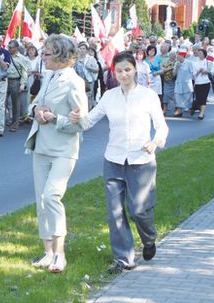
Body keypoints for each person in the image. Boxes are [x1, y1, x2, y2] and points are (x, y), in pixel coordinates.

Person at [69, 51, 169, 274]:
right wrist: (76, 119)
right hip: (113, 160)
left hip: (141, 160)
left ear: (135, 70)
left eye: (127, 70)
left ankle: (149, 238)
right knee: (115, 212)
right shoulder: (109, 96)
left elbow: (161, 126)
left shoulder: (148, 96)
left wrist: (155, 142)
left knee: (139, 210)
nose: (124, 74)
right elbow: (89, 121)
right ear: (114, 72)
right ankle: (124, 259)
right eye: (119, 71)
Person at [24, 34, 87, 273]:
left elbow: (82, 122)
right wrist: (36, 109)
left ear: (61, 55)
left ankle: (60, 255)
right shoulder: (49, 76)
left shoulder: (74, 82)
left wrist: (56, 119)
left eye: (47, 53)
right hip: (41, 146)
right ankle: (47, 252)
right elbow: (33, 104)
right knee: (41, 200)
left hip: (64, 149)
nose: (42, 56)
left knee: (52, 196)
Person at [5, 40, 29, 132]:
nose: (9, 49)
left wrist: (22, 85)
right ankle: (8, 119)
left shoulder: (22, 58)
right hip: (6, 80)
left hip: (16, 81)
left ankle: (15, 123)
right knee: (3, 102)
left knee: (16, 104)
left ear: (16, 48)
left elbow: (24, 72)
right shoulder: (6, 56)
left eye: (11, 47)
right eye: (9, 47)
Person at [191, 47, 214, 120]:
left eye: (200, 53)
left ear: (204, 54)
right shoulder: (194, 63)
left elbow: (212, 71)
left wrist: (206, 71)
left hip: (206, 82)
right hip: (198, 83)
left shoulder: (208, 62)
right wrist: (199, 71)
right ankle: (195, 106)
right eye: (198, 53)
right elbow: (193, 75)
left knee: (203, 98)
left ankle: (201, 114)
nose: (199, 54)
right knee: (198, 98)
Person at [172, 46, 194, 117]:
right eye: (177, 54)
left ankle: (190, 108)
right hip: (179, 82)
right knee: (177, 95)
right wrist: (177, 67)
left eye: (179, 54)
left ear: (183, 55)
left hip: (187, 82)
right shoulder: (176, 63)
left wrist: (194, 83)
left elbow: (193, 73)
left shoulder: (189, 63)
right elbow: (174, 74)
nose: (177, 56)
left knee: (187, 96)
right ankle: (179, 110)